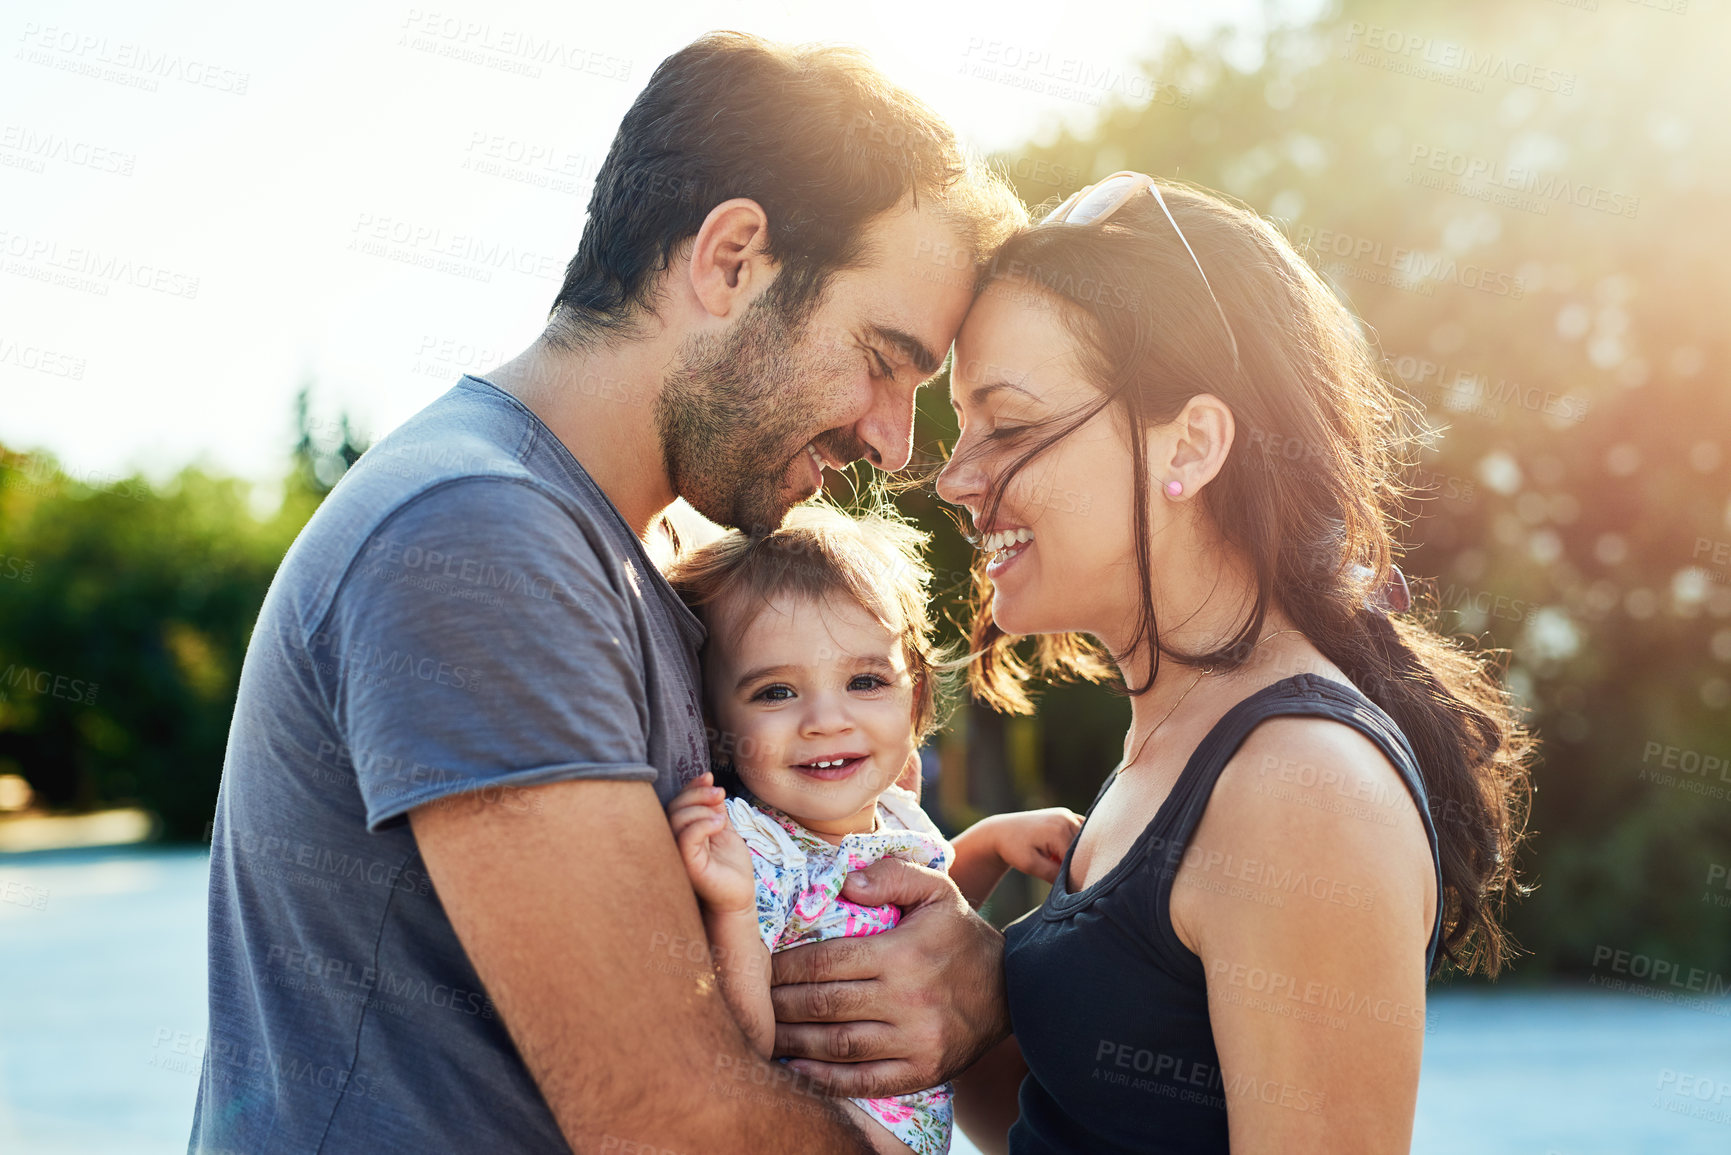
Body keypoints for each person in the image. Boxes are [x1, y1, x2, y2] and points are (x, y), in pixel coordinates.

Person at [190, 32, 1026, 1155]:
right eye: (882, 359)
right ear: (732, 259)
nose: (890, 438)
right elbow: (673, 1121)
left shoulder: (620, 557)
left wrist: (976, 973)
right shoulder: (479, 537)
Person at [920, 173, 1535, 1153]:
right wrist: (960, 992)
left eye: (1011, 426)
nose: (955, 479)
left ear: (1194, 443)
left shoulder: (1302, 787)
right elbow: (1065, 1125)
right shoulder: (1174, 734)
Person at [662, 503, 1083, 1155]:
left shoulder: (892, 808)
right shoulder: (756, 852)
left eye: (864, 680)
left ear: (913, 696)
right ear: (712, 719)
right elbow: (742, 1039)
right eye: (775, 692)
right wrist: (734, 908)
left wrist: (990, 842)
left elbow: (922, 903)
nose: (827, 719)